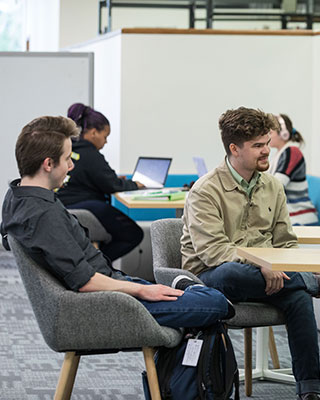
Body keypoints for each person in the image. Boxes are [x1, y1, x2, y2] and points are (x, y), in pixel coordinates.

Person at [180, 107, 320, 400]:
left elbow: (286, 243)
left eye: (267, 143)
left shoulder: (272, 186)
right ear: (234, 148)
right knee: (232, 272)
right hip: (212, 277)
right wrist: (264, 264)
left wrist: (275, 265)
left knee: (299, 298)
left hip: (271, 275)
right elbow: (214, 252)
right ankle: (315, 282)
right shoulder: (205, 190)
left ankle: (309, 390)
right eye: (258, 146)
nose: (267, 151)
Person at [1, 116, 231, 332]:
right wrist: (142, 289)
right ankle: (190, 293)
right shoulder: (43, 215)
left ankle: (187, 292)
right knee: (216, 302)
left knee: (195, 296)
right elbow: (84, 281)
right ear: (48, 163)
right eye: (68, 159)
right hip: (105, 301)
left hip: (110, 286)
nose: (71, 166)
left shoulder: (17, 195)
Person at [57, 103, 144, 261]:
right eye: (105, 137)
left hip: (61, 205)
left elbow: (94, 178)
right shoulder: (90, 153)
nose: (105, 142)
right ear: (93, 132)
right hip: (85, 206)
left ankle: (93, 262)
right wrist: (134, 185)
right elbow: (112, 185)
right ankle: (97, 264)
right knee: (133, 234)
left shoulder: (67, 149)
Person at [268, 114, 318, 226]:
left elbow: (276, 187)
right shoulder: (279, 154)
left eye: (270, 133)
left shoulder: (292, 152)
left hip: (300, 219)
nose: (267, 136)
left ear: (283, 134)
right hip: (290, 217)